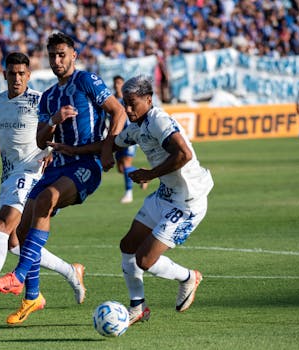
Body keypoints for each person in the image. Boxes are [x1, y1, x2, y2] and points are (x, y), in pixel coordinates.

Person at [0, 32, 127, 325]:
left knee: (48, 199)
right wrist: (54, 120)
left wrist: (107, 148)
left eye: (62, 54)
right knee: (22, 233)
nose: (57, 60)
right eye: (52, 55)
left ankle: (18, 276)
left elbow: (118, 112)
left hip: (85, 165)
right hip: (56, 167)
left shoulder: (87, 81)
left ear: (74, 55)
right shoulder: (50, 96)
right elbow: (40, 141)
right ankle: (32, 298)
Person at [0, 52, 86, 314]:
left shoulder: (39, 101)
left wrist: (53, 155)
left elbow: (58, 130)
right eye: (12, 73)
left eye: (21, 73)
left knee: (1, 225)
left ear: (29, 75)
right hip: (9, 174)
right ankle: (71, 271)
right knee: (16, 244)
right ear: (4, 74)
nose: (16, 78)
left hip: (32, 172)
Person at [114, 75, 213, 325]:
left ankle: (189, 277)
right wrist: (70, 149)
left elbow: (184, 154)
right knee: (128, 245)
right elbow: (113, 143)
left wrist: (149, 174)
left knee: (145, 260)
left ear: (148, 100)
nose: (127, 109)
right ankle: (138, 308)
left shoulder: (158, 120)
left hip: (188, 201)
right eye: (124, 103)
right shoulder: (137, 125)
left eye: (132, 103)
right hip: (165, 195)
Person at [112, 75, 147, 204]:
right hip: (116, 137)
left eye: (120, 83)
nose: (117, 85)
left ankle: (128, 194)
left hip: (129, 136)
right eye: (116, 83)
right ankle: (142, 175)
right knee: (121, 168)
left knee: (126, 164)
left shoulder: (128, 99)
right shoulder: (112, 100)